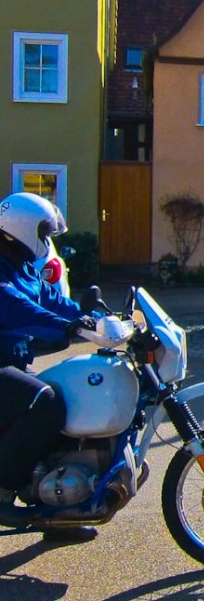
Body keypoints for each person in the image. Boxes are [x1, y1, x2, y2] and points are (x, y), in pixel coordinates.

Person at [0, 192, 97, 542]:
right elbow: (16, 308)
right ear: (21, 229)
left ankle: (57, 514)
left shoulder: (21, 267)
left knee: (68, 397)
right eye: (42, 233)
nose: (45, 241)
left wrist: (101, 319)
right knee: (46, 401)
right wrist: (65, 327)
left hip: (11, 363)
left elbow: (53, 299)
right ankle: (2, 488)